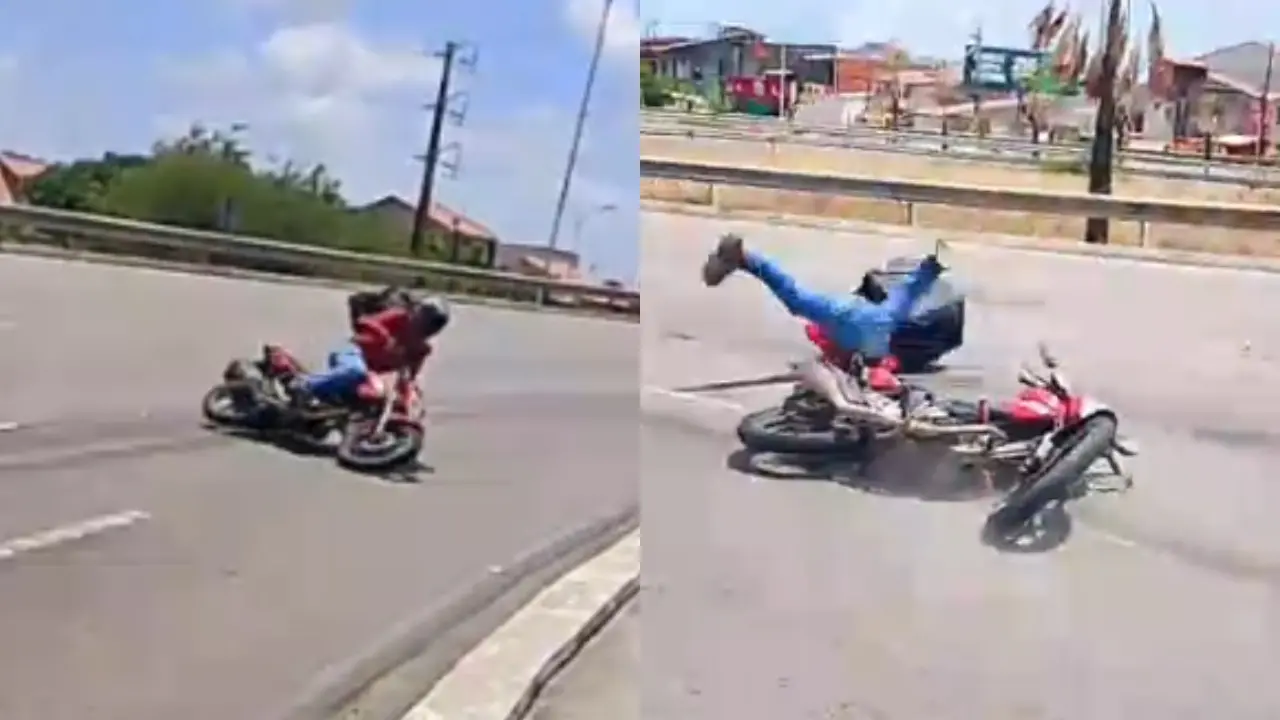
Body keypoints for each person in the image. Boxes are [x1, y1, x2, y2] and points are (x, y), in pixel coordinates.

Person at [701, 232, 945, 429]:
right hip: (849, 322)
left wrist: (930, 268)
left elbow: (908, 292)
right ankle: (745, 258)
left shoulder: (887, 320)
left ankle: (746, 259)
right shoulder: (881, 339)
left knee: (795, 296)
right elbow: (909, 293)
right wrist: (931, 269)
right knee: (795, 298)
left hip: (847, 311)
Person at [288, 295, 451, 410]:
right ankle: (304, 384)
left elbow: (407, 378)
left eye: (435, 323)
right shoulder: (400, 317)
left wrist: (409, 398)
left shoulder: (421, 350)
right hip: (352, 351)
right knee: (355, 371)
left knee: (375, 398)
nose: (428, 325)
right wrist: (386, 336)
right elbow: (366, 321)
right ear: (420, 312)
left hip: (369, 373)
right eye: (428, 318)